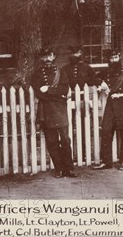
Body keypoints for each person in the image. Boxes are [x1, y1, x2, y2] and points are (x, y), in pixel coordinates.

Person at [31, 47, 76, 178]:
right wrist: (55, 95)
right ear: (41, 59)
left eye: (49, 56)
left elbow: (64, 89)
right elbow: (39, 93)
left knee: (66, 140)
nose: (47, 59)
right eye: (44, 57)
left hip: (60, 110)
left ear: (54, 56)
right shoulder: (37, 74)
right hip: (46, 110)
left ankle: (69, 168)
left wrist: (49, 90)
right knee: (52, 141)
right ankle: (59, 169)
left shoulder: (61, 72)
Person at [61, 45, 100, 155]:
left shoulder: (86, 67)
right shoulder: (65, 69)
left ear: (81, 53)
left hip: (84, 100)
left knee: (84, 126)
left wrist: (101, 84)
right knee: (69, 127)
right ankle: (71, 153)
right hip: (68, 101)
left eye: (77, 52)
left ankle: (84, 153)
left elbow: (93, 80)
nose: (74, 55)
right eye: (72, 53)